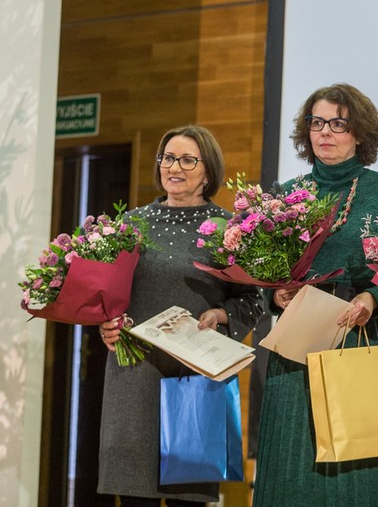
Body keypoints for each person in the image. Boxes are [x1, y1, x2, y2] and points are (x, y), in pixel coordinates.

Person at [252, 83, 378, 507]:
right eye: (317, 122)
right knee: (293, 457)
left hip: (360, 331)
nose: (325, 131)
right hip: (298, 338)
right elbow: (267, 272)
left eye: (338, 123)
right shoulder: (286, 194)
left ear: (360, 133)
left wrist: (373, 300)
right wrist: (277, 295)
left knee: (356, 462)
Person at [97, 125, 265, 506]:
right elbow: (109, 295)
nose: (175, 167)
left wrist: (222, 314)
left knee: (187, 497)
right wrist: (106, 324)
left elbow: (253, 300)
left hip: (194, 380)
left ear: (208, 171)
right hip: (134, 379)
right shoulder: (130, 225)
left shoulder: (227, 230)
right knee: (134, 494)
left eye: (188, 160)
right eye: (168, 158)